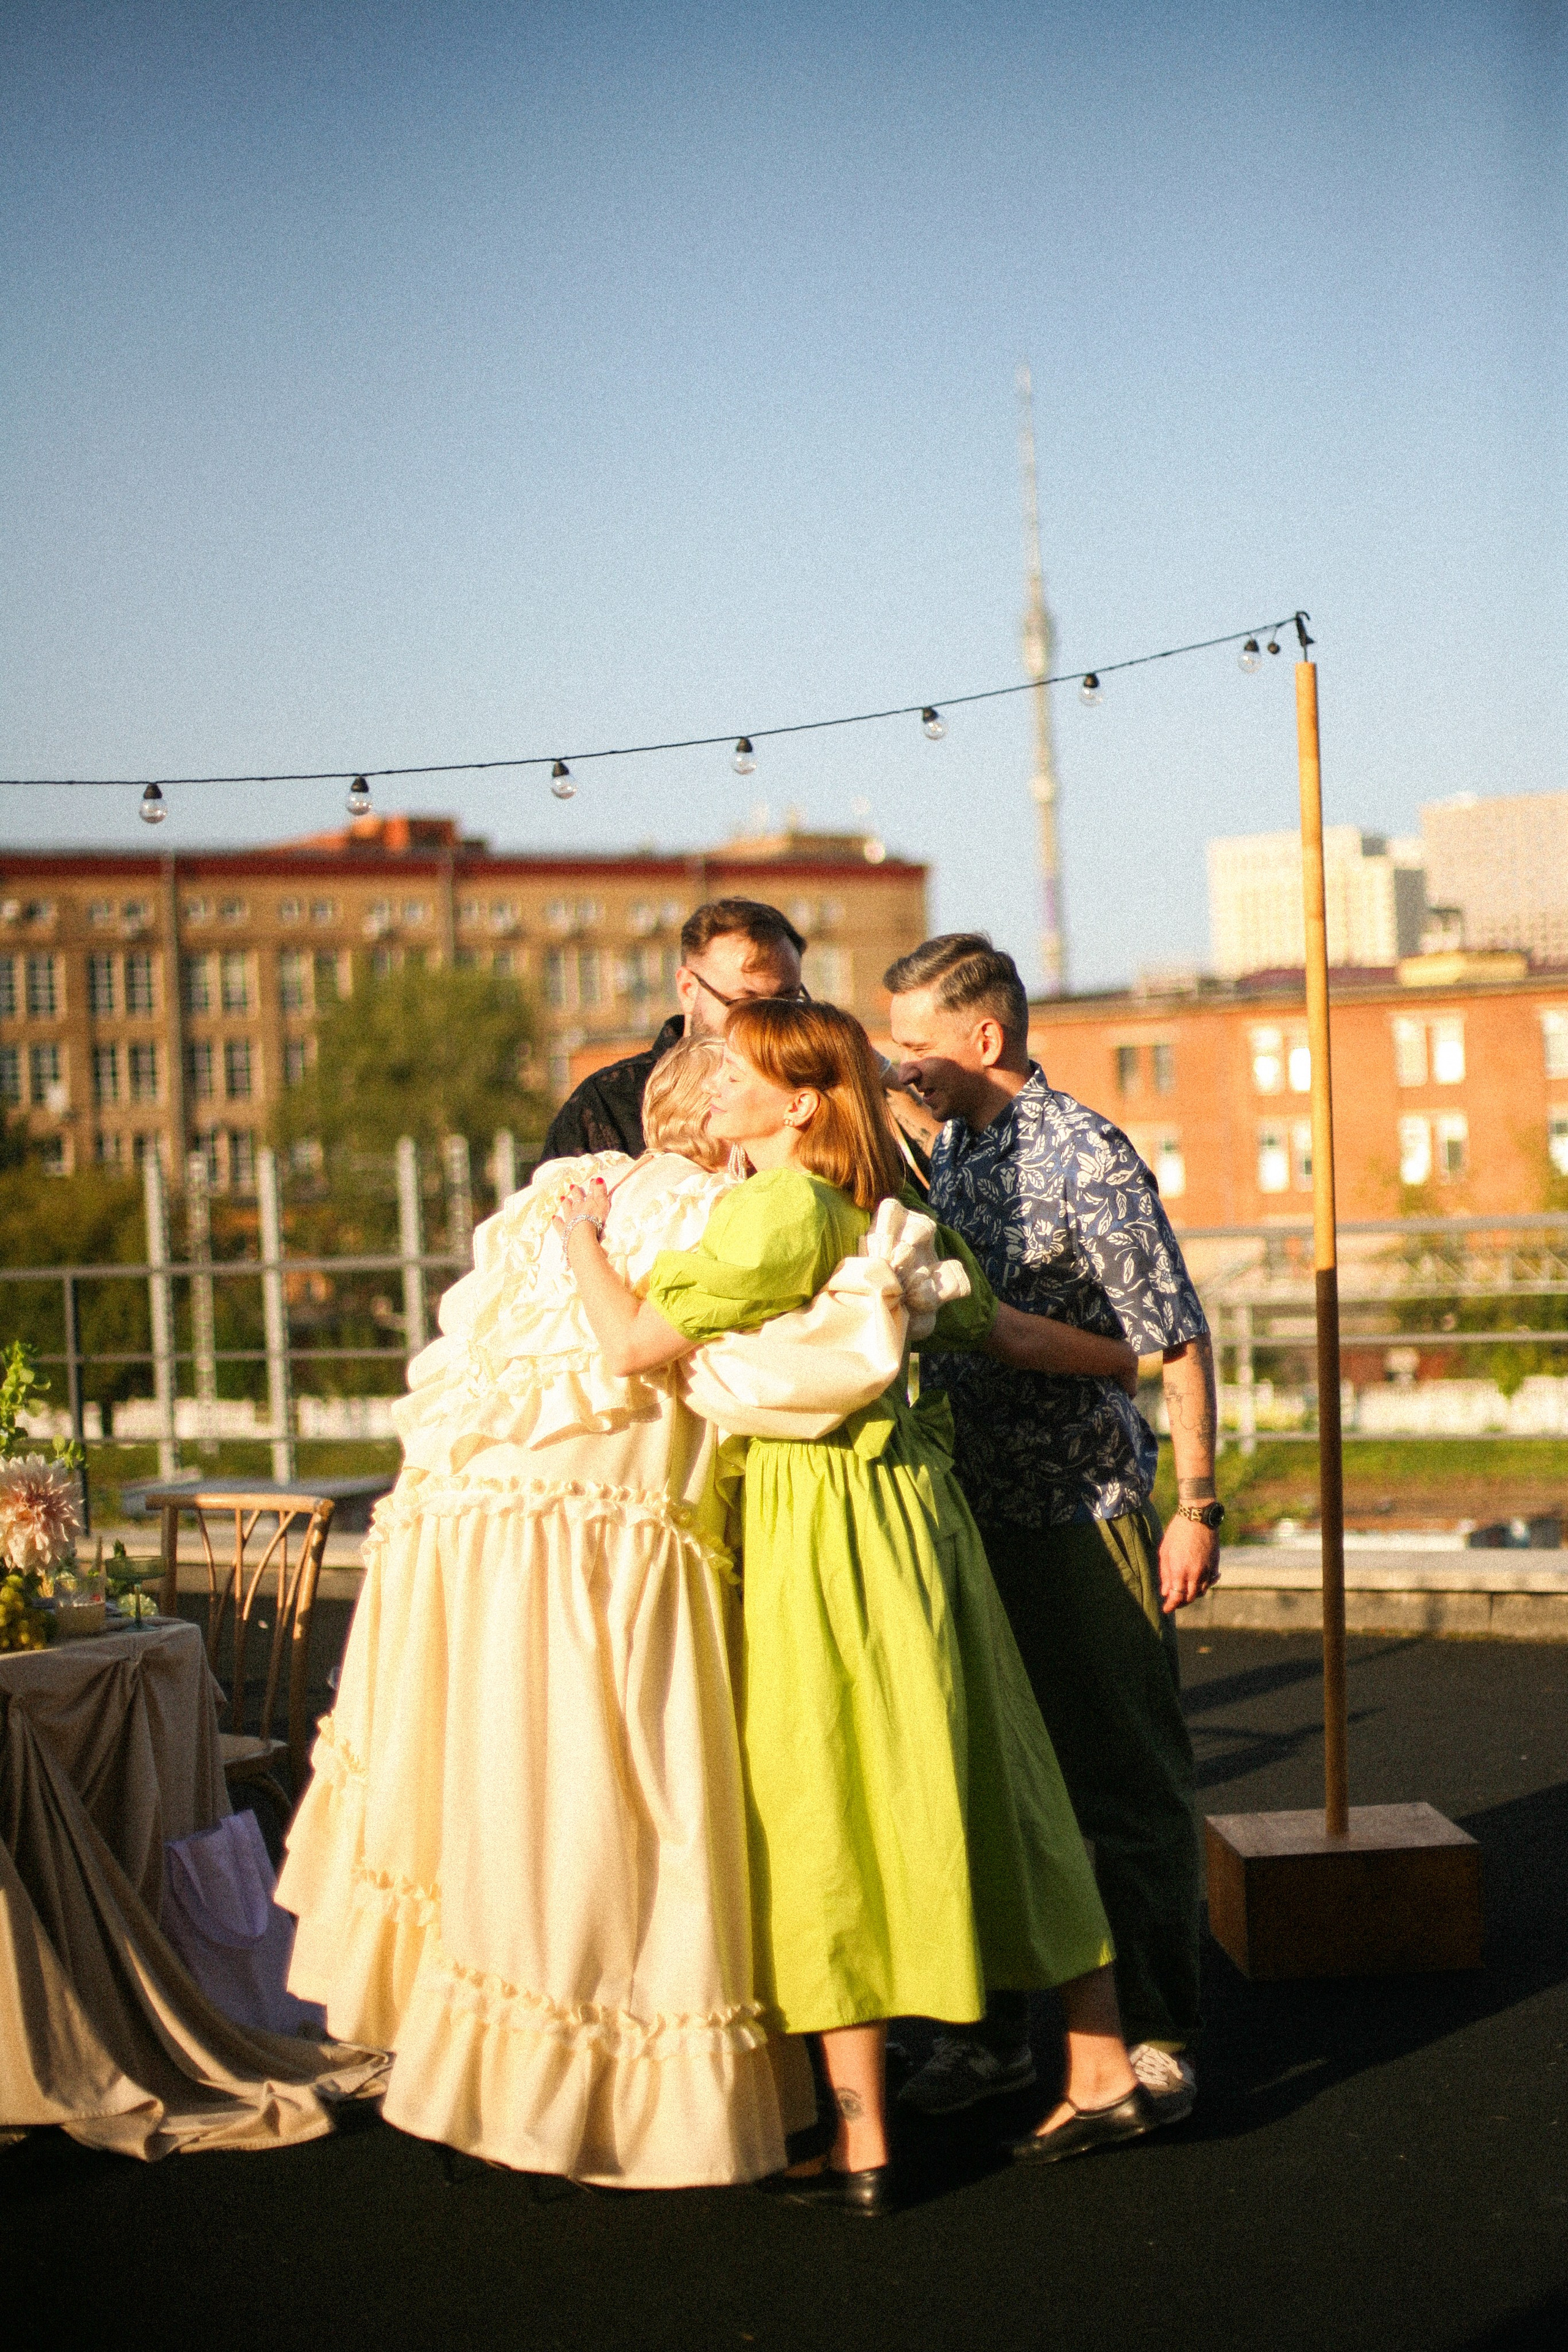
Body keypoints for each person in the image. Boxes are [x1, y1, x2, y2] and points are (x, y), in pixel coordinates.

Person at [554, 999, 1161, 2216]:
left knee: (818, 1804)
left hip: (815, 1517)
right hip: (911, 1512)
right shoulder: (894, 1212)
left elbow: (628, 1344)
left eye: (737, 1073)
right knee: (990, 1772)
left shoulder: (777, 1208)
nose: (709, 1085)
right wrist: (1130, 1359)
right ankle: (1094, 2062)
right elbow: (999, 1327)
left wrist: (580, 1235)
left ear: (797, 1103)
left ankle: (863, 2144)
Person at [278, 1038, 872, 2186]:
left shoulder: (553, 1196)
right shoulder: (732, 1213)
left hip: (466, 1539)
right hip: (612, 1540)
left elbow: (456, 1362)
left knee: (491, 1792)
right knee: (615, 1811)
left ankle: (477, 2074)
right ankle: (612, 2100)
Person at [884, 934, 1219, 2127]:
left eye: (915, 1042)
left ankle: (1159, 2036)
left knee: (1123, 1778)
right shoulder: (959, 1144)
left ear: (982, 1038)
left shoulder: (1085, 1156)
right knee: (991, 1776)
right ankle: (993, 2041)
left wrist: (1193, 1509)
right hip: (981, 1507)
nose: (899, 1063)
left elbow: (1167, 1339)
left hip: (1084, 1509)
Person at [539, 897, 807, 1160]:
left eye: (787, 1002)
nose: (769, 1023)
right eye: (746, 1004)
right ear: (688, 990)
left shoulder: (814, 1093)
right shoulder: (609, 1103)